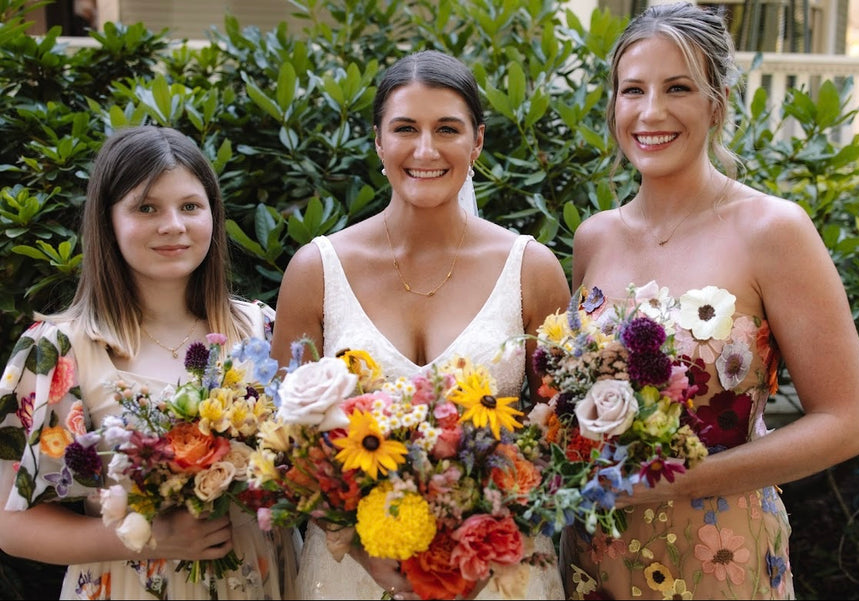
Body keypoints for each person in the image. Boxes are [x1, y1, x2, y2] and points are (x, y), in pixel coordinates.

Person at [560, 3, 859, 599]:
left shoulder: (772, 230)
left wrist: (679, 481)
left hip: (720, 552)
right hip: (595, 553)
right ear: (614, 105)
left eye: (678, 88)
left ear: (716, 102)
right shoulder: (594, 237)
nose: (651, 112)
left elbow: (847, 422)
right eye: (633, 90)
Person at [270, 49, 571, 600]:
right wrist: (364, 553)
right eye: (405, 128)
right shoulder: (315, 271)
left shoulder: (532, 269)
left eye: (447, 129)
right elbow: (285, 447)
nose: (426, 149)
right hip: (352, 574)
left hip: (496, 575)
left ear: (476, 142)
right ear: (379, 141)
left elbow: (562, 427)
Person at [0, 126, 302, 599]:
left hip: (264, 579)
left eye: (190, 206)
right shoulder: (58, 350)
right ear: (108, 221)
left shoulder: (260, 330)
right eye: (147, 208)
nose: (173, 225)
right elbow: (9, 525)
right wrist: (147, 538)